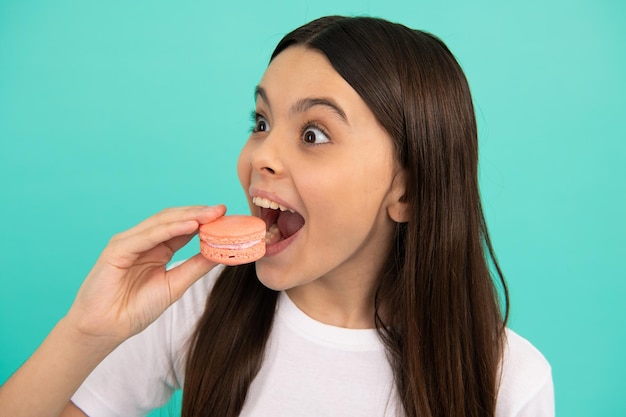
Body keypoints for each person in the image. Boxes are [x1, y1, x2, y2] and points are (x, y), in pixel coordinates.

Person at [0, 15, 554, 417]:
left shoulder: (508, 380)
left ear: (406, 191)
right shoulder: (200, 304)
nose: (260, 155)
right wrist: (85, 332)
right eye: (261, 121)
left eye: (313, 134)